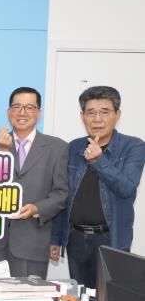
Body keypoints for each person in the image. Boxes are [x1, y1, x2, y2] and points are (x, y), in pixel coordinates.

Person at [51, 86, 145, 289]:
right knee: (81, 299)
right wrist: (56, 238)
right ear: (82, 116)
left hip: (111, 239)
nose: (97, 119)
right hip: (76, 239)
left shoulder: (133, 146)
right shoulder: (74, 147)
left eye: (105, 112)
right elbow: (63, 194)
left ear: (117, 115)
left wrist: (98, 160)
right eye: (91, 112)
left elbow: (126, 188)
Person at [0, 87, 68, 278]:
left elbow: (61, 193)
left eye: (29, 107)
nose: (22, 113)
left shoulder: (57, 147)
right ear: (8, 112)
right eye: (17, 107)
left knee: (28, 297)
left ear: (39, 113)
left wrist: (37, 208)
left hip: (34, 241)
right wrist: (2, 154)